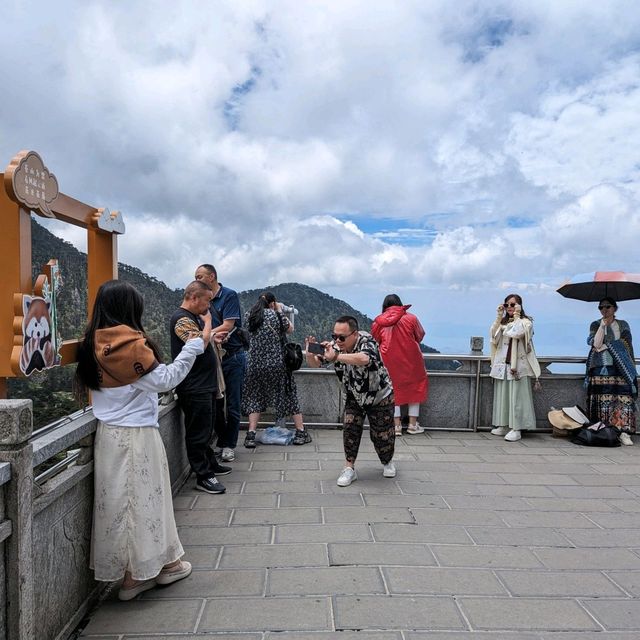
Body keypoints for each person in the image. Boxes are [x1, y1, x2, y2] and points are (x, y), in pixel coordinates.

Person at [74, 280, 202, 601]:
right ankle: (136, 577)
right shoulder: (130, 346)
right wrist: (192, 349)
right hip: (138, 436)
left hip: (109, 436)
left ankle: (158, 565)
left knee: (119, 505)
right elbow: (165, 380)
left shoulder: (91, 345)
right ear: (130, 310)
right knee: (144, 504)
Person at [306, 315, 395, 486]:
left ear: (354, 334)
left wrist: (336, 357)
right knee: (350, 430)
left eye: (341, 337)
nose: (337, 341)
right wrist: (311, 354)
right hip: (354, 396)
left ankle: (387, 461)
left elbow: (364, 359)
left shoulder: (367, 341)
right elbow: (315, 364)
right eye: (334, 336)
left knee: (382, 436)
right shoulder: (335, 347)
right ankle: (349, 468)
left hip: (379, 396)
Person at [170, 280, 232, 494]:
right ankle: (203, 475)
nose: (208, 306)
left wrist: (214, 335)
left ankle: (210, 464)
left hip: (206, 384)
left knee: (207, 429)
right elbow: (198, 345)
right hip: (194, 386)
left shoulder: (193, 317)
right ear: (194, 297)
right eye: (206, 300)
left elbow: (205, 340)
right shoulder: (181, 319)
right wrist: (208, 325)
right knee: (197, 432)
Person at [241, 291, 311, 447]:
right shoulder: (275, 315)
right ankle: (301, 432)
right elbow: (290, 329)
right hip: (277, 365)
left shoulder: (249, 316)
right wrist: (279, 310)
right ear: (272, 303)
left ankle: (251, 435)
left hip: (254, 365)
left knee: (255, 397)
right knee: (289, 394)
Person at [195, 264, 246, 462]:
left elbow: (228, 324)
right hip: (214, 358)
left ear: (212, 276)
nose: (197, 278)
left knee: (233, 404)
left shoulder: (228, 295)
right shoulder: (203, 300)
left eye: (200, 275)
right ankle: (223, 440)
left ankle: (229, 445)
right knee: (216, 403)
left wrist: (204, 335)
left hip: (232, 357)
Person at [372, 294, 428, 436]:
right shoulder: (411, 318)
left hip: (388, 359)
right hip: (411, 358)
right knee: (416, 387)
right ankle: (412, 425)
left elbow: (375, 339)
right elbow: (419, 335)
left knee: (392, 389)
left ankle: (396, 426)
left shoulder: (379, 321)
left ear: (385, 306)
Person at [585, 297, 637, 445]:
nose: (604, 310)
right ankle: (604, 431)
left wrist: (607, 346)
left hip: (621, 369)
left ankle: (624, 432)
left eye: (607, 307)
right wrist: (602, 326)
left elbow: (626, 342)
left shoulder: (622, 325)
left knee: (623, 400)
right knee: (603, 401)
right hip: (600, 368)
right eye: (601, 307)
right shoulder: (595, 324)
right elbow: (594, 342)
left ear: (615, 308)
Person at [489, 293, 541, 442]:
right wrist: (499, 317)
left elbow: (517, 333)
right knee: (504, 396)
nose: (509, 308)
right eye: (507, 305)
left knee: (516, 397)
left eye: (513, 304)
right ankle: (504, 424)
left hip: (518, 366)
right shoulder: (504, 322)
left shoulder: (526, 322)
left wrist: (517, 317)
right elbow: (493, 337)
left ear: (520, 306)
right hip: (502, 365)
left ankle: (516, 428)